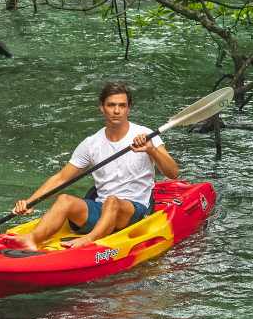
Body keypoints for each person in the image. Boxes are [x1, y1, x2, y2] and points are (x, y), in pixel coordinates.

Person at [13, 81, 179, 248]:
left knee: (112, 201)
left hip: (135, 208)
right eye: (111, 105)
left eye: (122, 105)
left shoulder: (146, 136)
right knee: (64, 199)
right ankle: (32, 239)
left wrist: (151, 151)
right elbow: (61, 178)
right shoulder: (91, 143)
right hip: (101, 208)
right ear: (102, 107)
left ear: (128, 108)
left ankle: (89, 240)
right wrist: (29, 202)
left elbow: (173, 173)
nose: (116, 110)